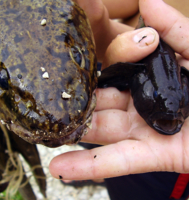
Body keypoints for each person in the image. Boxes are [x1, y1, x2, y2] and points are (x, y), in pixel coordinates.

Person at [49, 0, 189, 199]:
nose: (174, 114)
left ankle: (101, 177)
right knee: (100, 137)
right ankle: (99, 177)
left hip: (166, 172)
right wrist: (99, 28)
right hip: (120, 113)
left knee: (128, 184)